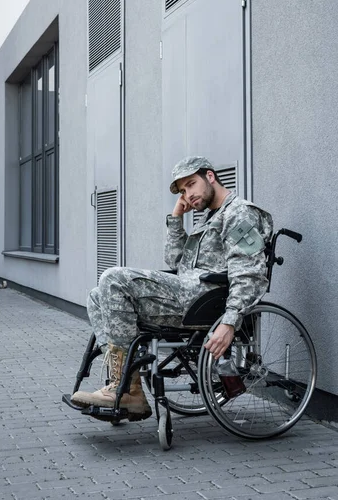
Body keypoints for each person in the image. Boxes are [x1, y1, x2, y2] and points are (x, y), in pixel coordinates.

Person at [71, 156, 273, 421]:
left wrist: (230, 321)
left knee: (113, 277)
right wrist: (176, 217)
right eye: (183, 191)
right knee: (97, 297)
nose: (188, 195)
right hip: (186, 293)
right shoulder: (209, 217)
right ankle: (125, 387)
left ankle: (125, 389)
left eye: (191, 185)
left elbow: (249, 274)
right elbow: (175, 261)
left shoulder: (239, 213)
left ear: (210, 177)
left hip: (203, 301)